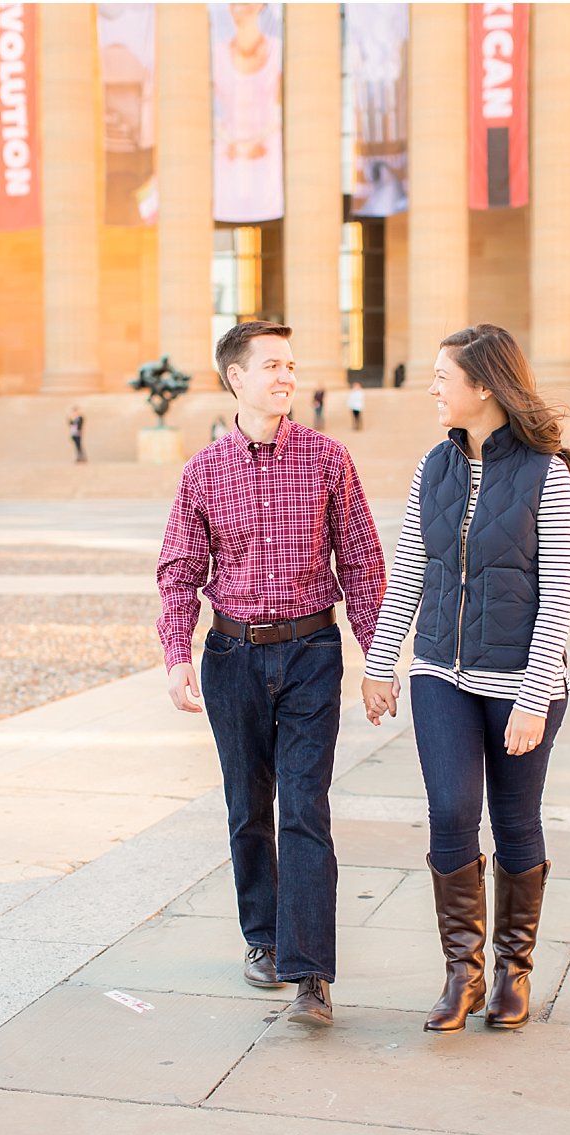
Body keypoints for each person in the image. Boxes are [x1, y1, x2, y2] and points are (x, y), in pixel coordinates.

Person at [157, 320, 386, 1029]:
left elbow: (363, 563)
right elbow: (179, 571)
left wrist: (378, 661)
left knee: (306, 809)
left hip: (312, 653)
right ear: (237, 378)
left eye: (291, 364)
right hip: (231, 657)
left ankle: (310, 970)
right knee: (248, 809)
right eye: (272, 366)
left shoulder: (328, 459)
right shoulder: (203, 471)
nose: (287, 376)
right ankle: (263, 936)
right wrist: (174, 653)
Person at [361, 324, 570, 1034]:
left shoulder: (545, 472)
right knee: (452, 809)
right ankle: (463, 972)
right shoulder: (433, 465)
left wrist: (531, 695)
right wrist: (380, 662)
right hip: (440, 671)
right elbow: (412, 576)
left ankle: (514, 970)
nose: (431, 387)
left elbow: (559, 593)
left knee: (516, 820)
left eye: (442, 377)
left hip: (522, 676)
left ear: (483, 385)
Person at [211, 3, 283, 223]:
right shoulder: (216, 54)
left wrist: (247, 145)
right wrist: (241, 146)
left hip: (268, 163)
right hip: (226, 163)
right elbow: (212, 115)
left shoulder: (278, 51)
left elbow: (281, 111)